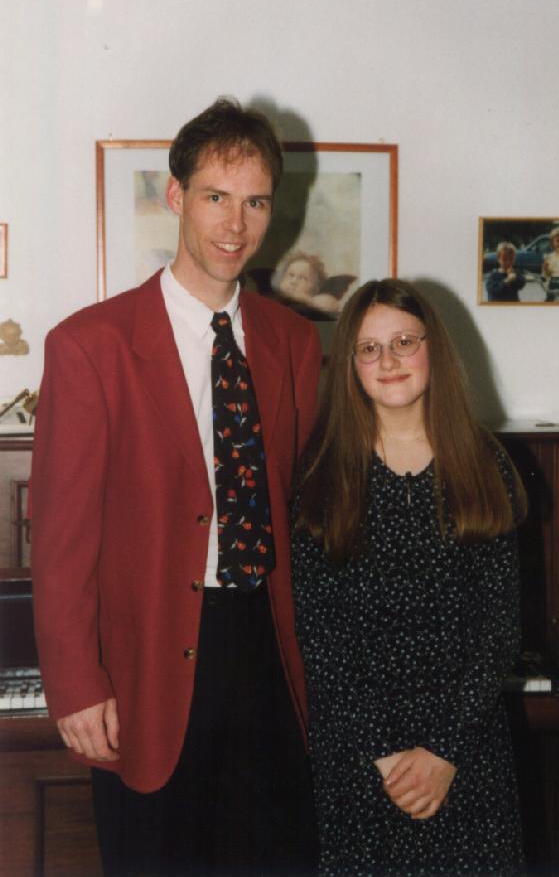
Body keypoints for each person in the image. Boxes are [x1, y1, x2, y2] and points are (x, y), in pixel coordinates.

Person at [31, 97, 321, 877]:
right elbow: (59, 543)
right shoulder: (90, 346)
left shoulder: (294, 342)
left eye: (255, 202)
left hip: (266, 652)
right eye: (216, 196)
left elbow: (305, 509)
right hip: (149, 664)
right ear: (175, 197)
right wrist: (75, 684)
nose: (236, 224)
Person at [291, 278, 526, 876]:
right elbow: (319, 635)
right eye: (369, 348)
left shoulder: (484, 463)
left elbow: (499, 628)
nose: (389, 361)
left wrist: (444, 752)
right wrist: (386, 755)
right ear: (350, 366)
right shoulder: (321, 473)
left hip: (466, 748)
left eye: (403, 342)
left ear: (433, 349)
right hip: (360, 756)